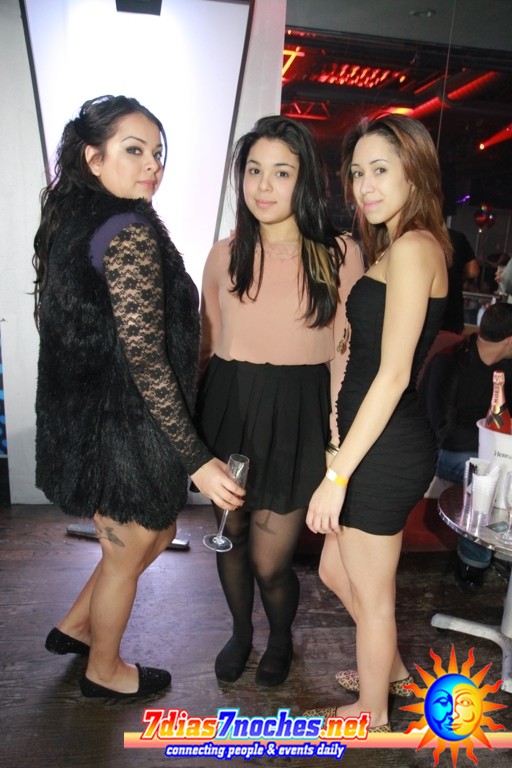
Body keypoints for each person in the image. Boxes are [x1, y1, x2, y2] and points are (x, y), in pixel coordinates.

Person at [34, 95, 245, 699]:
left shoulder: (83, 219)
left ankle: (77, 626)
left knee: (143, 538)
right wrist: (197, 460)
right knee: (133, 548)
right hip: (121, 425)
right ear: (93, 158)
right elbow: (145, 359)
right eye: (134, 150)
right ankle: (104, 670)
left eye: (157, 152)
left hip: (94, 419)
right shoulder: (126, 231)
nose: (153, 164)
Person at [197, 116, 364, 687]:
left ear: (305, 180)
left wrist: (337, 444)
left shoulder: (338, 255)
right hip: (228, 406)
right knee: (231, 537)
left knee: (271, 561)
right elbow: (207, 347)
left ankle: (280, 637)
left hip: (297, 415)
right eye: (253, 170)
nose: (263, 186)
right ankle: (240, 632)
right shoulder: (224, 254)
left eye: (281, 172)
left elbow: (345, 358)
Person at [304, 114, 451, 731]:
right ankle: (387, 670)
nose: (364, 186)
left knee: (373, 593)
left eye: (380, 170)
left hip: (385, 447)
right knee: (334, 569)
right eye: (358, 172)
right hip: (373, 439)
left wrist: (336, 475)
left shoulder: (414, 248)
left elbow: (392, 375)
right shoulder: (400, 246)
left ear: (414, 172)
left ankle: (372, 711)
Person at [419, 301, 512, 586]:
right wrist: (492, 444)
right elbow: (444, 432)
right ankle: (473, 563)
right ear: (510, 341)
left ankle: (503, 551)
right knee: (486, 473)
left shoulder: (507, 367)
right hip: (437, 450)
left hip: (486, 448)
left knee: (498, 467)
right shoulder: (449, 363)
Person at [443, 228, 479, 334]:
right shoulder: (457, 237)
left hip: (423, 311)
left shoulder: (414, 237)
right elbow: (473, 271)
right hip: (453, 309)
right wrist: (456, 275)